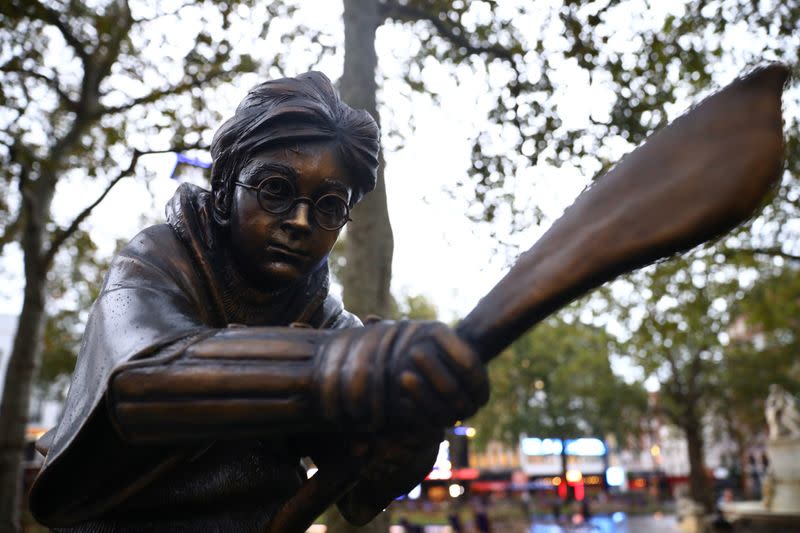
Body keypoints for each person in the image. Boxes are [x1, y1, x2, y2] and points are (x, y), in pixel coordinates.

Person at [29, 72, 489, 532]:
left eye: (329, 206)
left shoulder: (326, 320)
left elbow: (367, 485)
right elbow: (140, 380)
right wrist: (335, 369)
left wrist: (416, 416)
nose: (300, 221)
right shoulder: (157, 260)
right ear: (226, 189)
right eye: (275, 190)